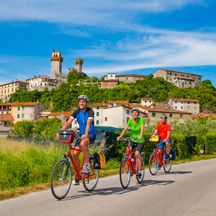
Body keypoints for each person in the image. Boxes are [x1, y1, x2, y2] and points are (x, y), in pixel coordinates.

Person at [60, 95, 96, 183]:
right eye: (80, 101)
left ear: (86, 103)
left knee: (83, 143)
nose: (81, 103)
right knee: (75, 154)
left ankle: (87, 167)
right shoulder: (76, 112)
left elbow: (88, 123)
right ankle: (78, 174)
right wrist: (61, 131)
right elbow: (68, 122)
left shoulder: (90, 111)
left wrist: (86, 134)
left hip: (90, 133)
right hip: (81, 134)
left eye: (83, 101)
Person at [117, 107, 145, 177]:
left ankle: (139, 169)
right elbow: (125, 129)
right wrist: (120, 136)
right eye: (133, 113)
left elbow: (142, 129)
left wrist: (140, 136)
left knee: (137, 153)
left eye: (136, 113)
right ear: (131, 114)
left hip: (140, 140)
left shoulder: (141, 120)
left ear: (138, 114)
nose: (134, 114)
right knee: (128, 151)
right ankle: (130, 166)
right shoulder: (130, 120)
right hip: (132, 139)